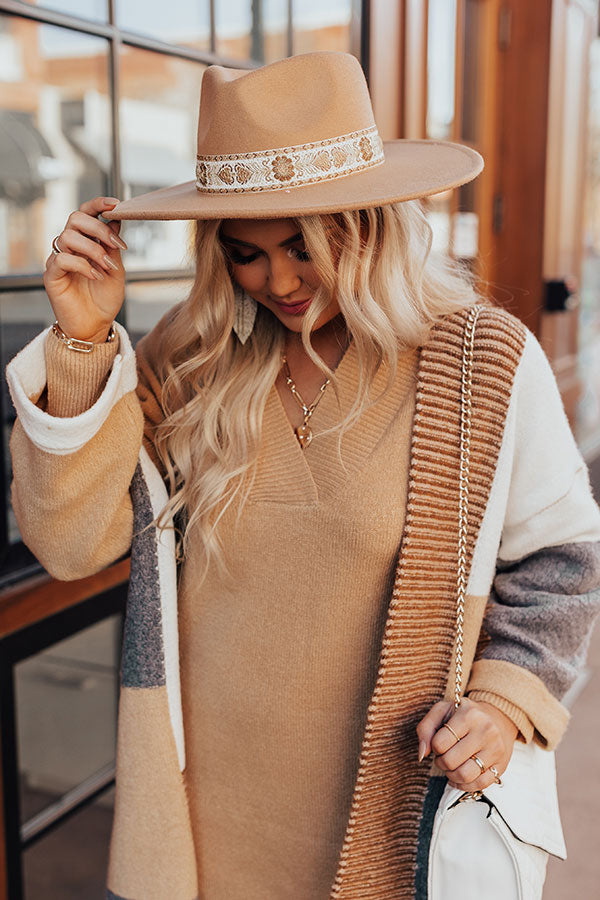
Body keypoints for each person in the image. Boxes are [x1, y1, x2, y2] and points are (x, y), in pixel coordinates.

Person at [7, 51, 600, 900]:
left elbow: (563, 558)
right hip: (205, 802)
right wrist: (81, 343)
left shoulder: (481, 363)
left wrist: (505, 702)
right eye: (245, 254)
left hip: (395, 798)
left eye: (303, 246)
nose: (277, 282)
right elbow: (70, 546)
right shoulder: (192, 358)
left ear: (368, 223)